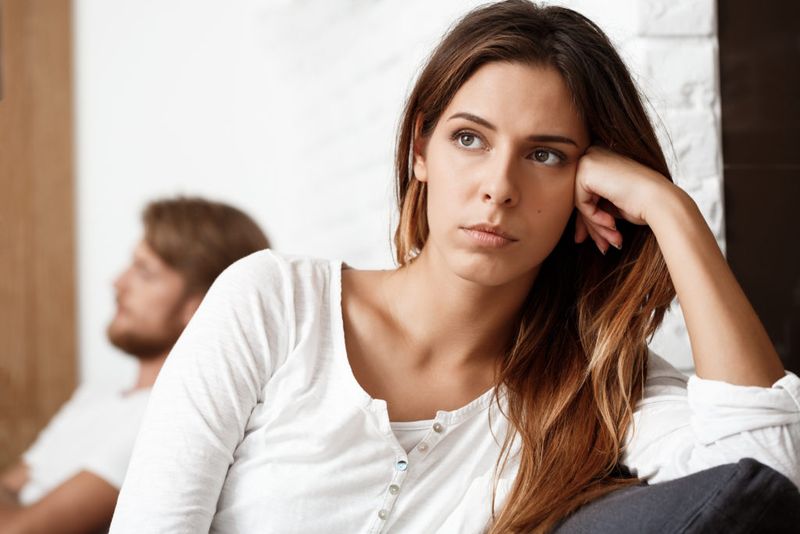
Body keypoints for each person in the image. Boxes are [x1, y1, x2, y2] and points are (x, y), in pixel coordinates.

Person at [109, 2, 800, 533]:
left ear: (588, 186)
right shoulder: (274, 303)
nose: (498, 187)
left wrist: (672, 211)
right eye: (470, 139)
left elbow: (762, 481)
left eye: (545, 155)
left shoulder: (598, 382)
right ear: (421, 151)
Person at [0, 197, 269, 534]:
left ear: (202, 306)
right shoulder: (95, 396)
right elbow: (11, 482)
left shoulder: (171, 417)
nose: (119, 282)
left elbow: (17, 529)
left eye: (145, 272)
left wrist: (13, 501)